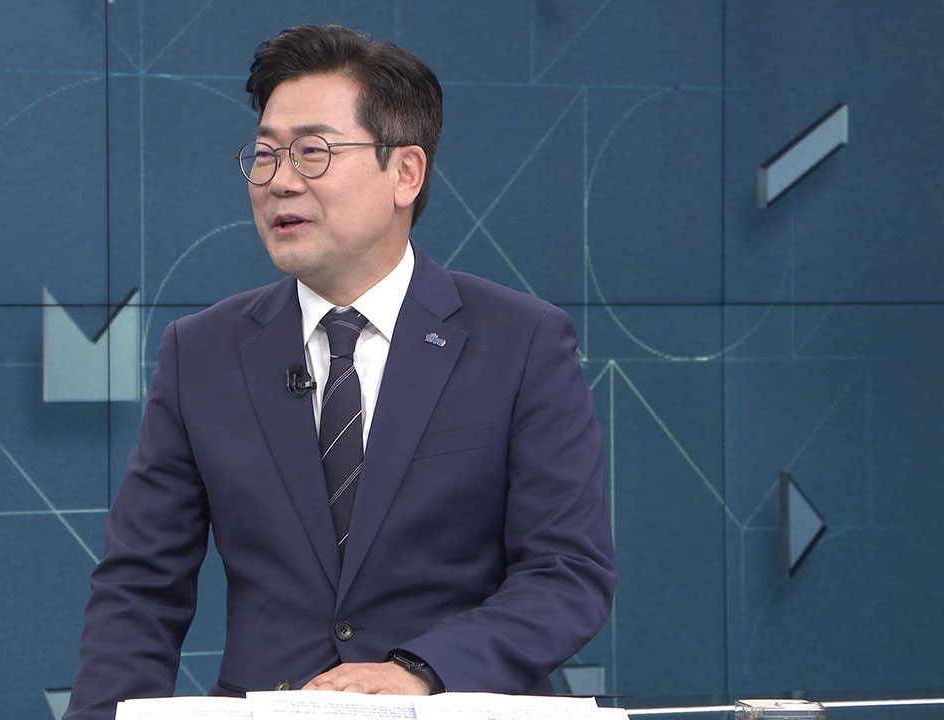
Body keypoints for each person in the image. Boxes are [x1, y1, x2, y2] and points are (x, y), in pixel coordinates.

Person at [65, 24, 616, 719]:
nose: (279, 181)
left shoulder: (520, 342)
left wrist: (419, 672)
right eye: (265, 154)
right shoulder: (200, 353)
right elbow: (139, 590)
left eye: (313, 152)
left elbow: (566, 574)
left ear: (405, 173)